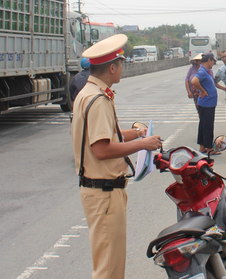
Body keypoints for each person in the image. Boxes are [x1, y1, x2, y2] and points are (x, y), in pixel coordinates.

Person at [71, 34, 162, 279]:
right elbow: (101, 150)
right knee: (109, 269)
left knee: (109, 262)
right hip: (104, 193)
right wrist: (144, 143)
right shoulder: (98, 99)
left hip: (100, 191)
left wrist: (135, 133)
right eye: (121, 63)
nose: (122, 67)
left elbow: (103, 136)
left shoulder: (88, 92)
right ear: (112, 68)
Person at [190, 52, 219, 154]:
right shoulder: (202, 71)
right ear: (209, 60)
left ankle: (202, 147)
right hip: (207, 103)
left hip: (207, 103)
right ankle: (209, 148)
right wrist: (202, 90)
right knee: (207, 126)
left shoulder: (207, 71)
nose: (213, 63)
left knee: (203, 126)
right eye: (212, 61)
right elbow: (194, 81)